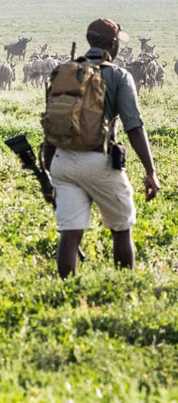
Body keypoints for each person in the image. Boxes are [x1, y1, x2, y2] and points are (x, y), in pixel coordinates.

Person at [44, 18, 160, 278]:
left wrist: (48, 171)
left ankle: (65, 290)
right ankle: (122, 287)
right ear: (113, 44)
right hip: (100, 161)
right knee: (121, 228)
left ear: (89, 41)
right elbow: (134, 126)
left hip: (63, 161)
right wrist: (150, 171)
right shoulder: (118, 75)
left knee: (70, 233)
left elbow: (51, 126)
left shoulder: (63, 72)